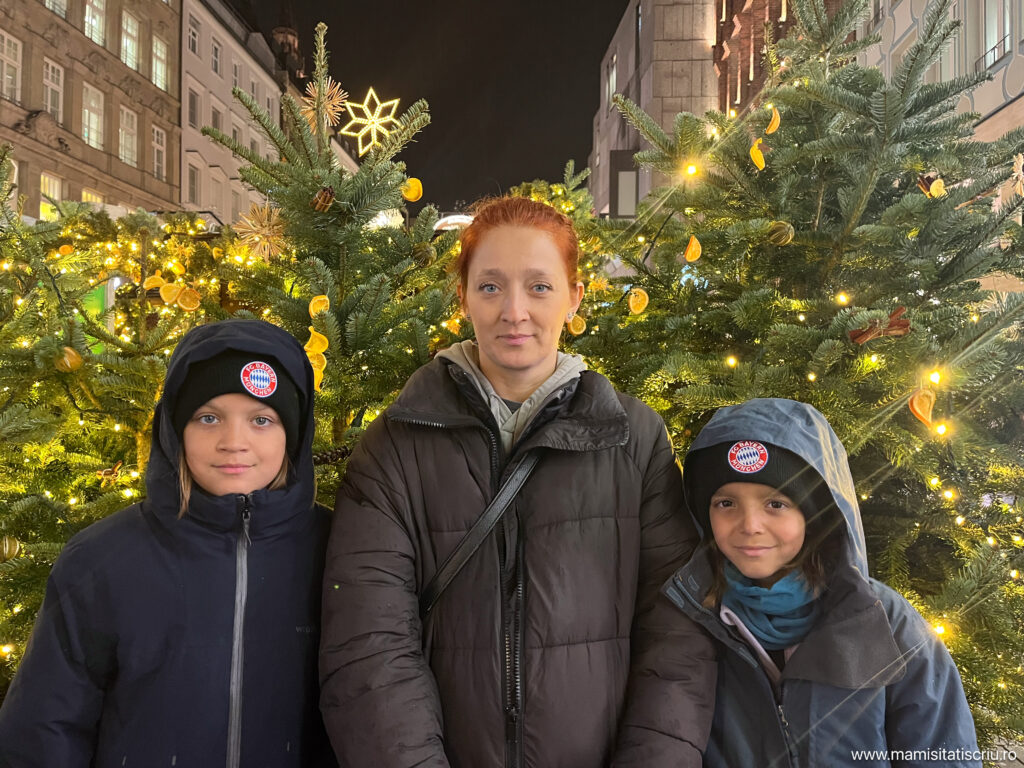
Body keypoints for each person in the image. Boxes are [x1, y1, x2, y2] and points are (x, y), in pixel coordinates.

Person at [319, 196, 715, 767]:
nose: (514, 311)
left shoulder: (634, 440)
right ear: (463, 297)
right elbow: (367, 643)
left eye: (539, 286)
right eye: (490, 287)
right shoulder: (395, 446)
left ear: (574, 298)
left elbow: (676, 635)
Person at [0, 319, 335, 768]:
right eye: (208, 418)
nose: (233, 442)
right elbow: (45, 726)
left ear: (292, 434)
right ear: (177, 429)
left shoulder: (340, 552)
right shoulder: (102, 558)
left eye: (261, 419)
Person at [664, 397, 980, 767]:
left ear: (814, 514)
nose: (749, 525)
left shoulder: (886, 621)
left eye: (776, 504)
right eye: (726, 504)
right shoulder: (694, 618)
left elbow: (942, 752)